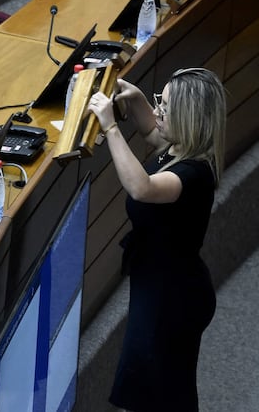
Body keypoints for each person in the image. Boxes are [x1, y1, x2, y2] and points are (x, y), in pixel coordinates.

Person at [87, 67, 226, 412]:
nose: (158, 112)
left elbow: (141, 187)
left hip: (173, 298)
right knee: (163, 390)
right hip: (162, 282)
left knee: (160, 393)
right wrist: (133, 98)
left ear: (187, 119)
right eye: (159, 102)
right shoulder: (180, 147)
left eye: (165, 107)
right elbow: (151, 130)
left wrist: (110, 125)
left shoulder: (192, 175)